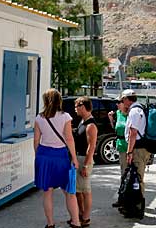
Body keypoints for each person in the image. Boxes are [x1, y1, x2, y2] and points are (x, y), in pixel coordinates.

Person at [34, 89, 81, 228]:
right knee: (69, 191)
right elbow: (69, 139)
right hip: (60, 156)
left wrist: (39, 156)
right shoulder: (65, 116)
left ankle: (50, 224)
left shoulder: (39, 118)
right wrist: (74, 158)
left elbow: (36, 140)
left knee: (47, 192)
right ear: (59, 100)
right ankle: (76, 222)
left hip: (44, 155)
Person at [73, 97, 98, 228]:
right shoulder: (82, 121)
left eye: (76, 106)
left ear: (83, 107)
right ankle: (81, 214)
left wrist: (86, 165)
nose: (75, 109)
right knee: (78, 190)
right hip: (79, 158)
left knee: (85, 190)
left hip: (84, 159)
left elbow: (91, 147)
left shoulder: (91, 125)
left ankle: (86, 217)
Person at [121, 89, 151, 195]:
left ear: (126, 99)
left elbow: (133, 133)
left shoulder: (134, 111)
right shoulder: (139, 108)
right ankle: (136, 203)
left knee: (138, 177)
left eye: (122, 100)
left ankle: (138, 205)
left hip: (138, 149)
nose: (122, 102)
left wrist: (129, 152)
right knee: (137, 177)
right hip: (140, 147)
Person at [108, 96, 129, 207]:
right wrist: (111, 119)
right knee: (123, 174)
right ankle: (122, 198)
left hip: (131, 148)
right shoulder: (118, 113)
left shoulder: (131, 114)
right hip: (121, 148)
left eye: (119, 102)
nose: (117, 104)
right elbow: (115, 129)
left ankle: (132, 199)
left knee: (133, 175)